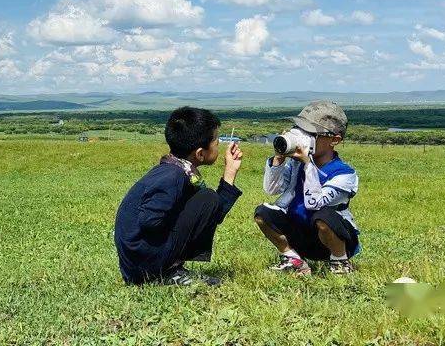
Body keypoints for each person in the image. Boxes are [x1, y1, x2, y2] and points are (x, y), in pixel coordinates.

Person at [114, 106, 243, 286]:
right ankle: (166, 272)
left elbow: (211, 214)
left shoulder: (176, 170)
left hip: (141, 260)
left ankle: (167, 269)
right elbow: (149, 221)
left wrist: (230, 171)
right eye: (216, 142)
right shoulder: (172, 176)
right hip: (143, 264)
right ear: (200, 153)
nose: (218, 146)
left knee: (208, 200)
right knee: (208, 197)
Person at [254, 100, 360, 275]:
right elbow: (272, 189)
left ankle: (340, 262)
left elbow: (314, 203)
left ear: (335, 140)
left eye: (311, 132)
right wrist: (279, 159)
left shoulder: (344, 174)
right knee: (263, 213)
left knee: (323, 217)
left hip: (330, 238)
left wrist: (308, 165)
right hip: (301, 234)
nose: (303, 136)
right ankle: (293, 259)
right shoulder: (296, 165)